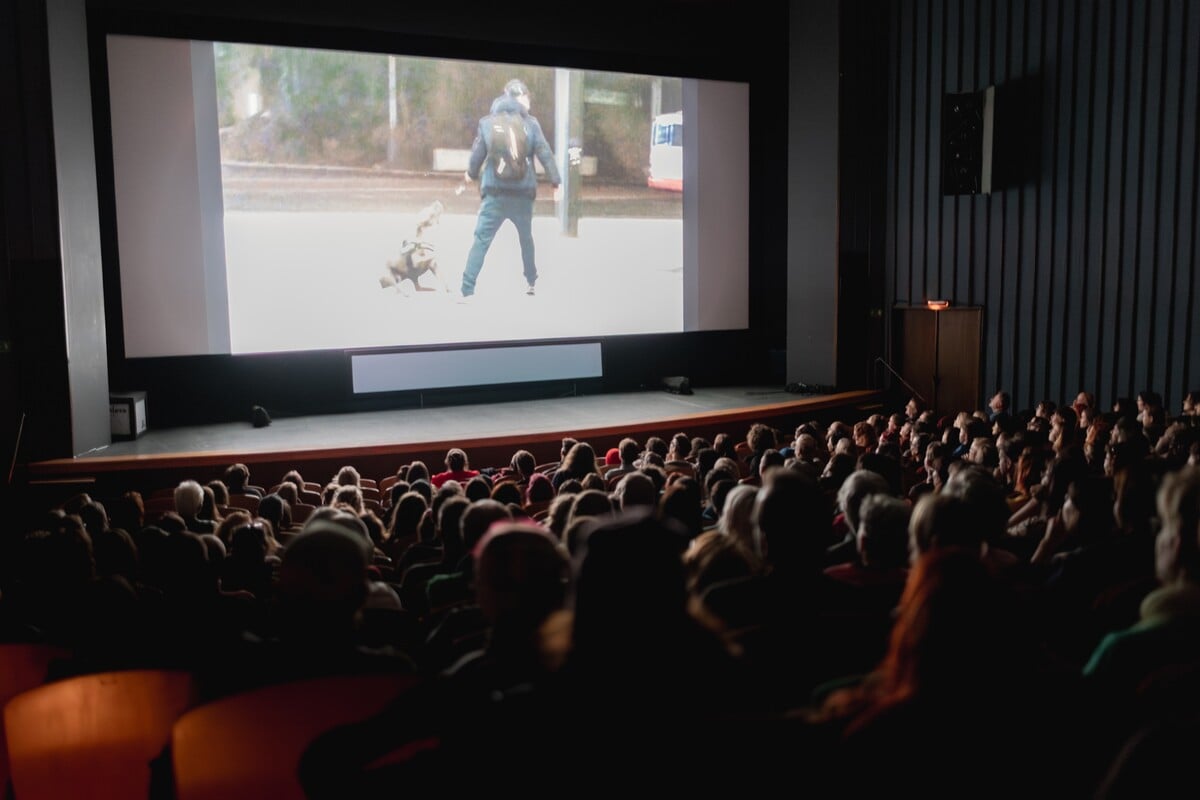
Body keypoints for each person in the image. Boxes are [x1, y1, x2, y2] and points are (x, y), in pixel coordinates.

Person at [458, 78, 562, 301]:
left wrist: (470, 174)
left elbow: (477, 155)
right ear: (521, 99)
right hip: (522, 195)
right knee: (526, 238)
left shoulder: (487, 123)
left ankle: (467, 289)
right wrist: (556, 182)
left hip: (494, 194)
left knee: (481, 240)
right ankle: (531, 281)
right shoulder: (531, 124)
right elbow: (545, 153)